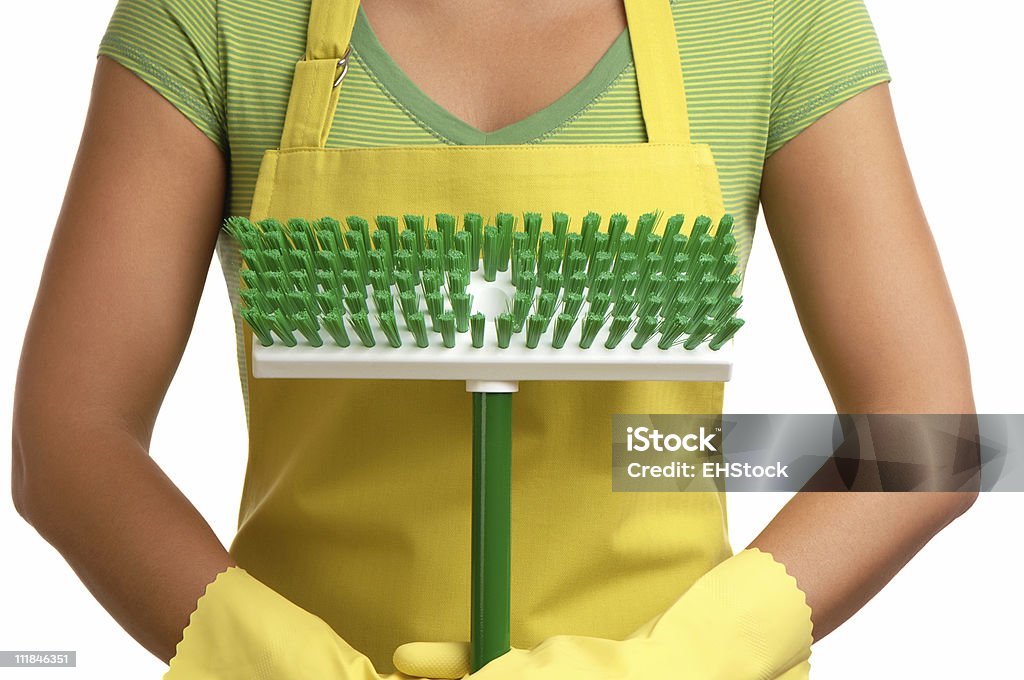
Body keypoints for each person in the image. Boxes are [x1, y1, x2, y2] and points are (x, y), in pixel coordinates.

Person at [12, 0, 977, 678]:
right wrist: (290, 667)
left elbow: (927, 442)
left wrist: (674, 664)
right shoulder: (215, 13)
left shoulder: (772, 15)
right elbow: (69, 438)